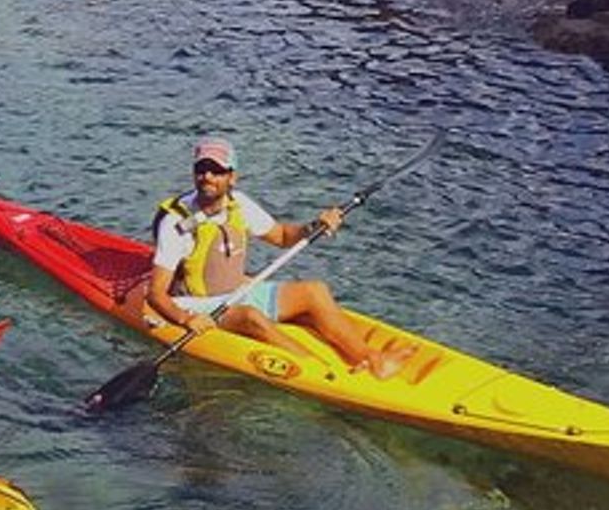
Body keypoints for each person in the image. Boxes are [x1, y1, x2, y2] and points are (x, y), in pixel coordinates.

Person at [144, 136, 415, 379]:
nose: (207, 177)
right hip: (196, 303)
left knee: (314, 291)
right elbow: (156, 295)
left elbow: (282, 236)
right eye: (201, 170)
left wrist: (313, 227)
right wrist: (185, 319)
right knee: (251, 317)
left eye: (217, 171)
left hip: (235, 291)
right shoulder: (177, 223)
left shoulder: (238, 204)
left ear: (232, 177)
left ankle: (371, 358)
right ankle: (323, 374)